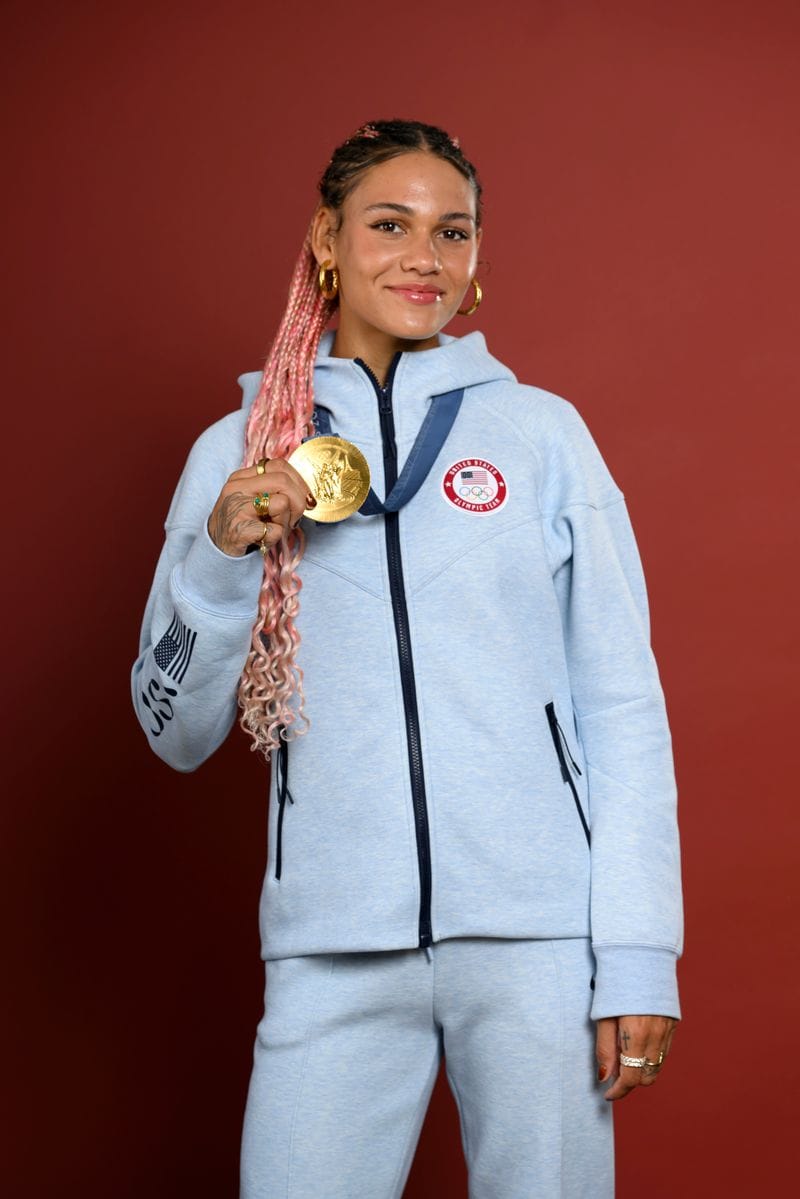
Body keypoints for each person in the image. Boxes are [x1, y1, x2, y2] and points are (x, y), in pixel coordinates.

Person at [132, 119, 683, 1199]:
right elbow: (174, 730)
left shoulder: (540, 436)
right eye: (390, 224)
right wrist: (219, 555)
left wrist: (634, 954)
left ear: (478, 260)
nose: (424, 256)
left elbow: (622, 706)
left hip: (535, 941)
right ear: (327, 241)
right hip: (331, 941)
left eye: (453, 230)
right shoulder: (236, 450)